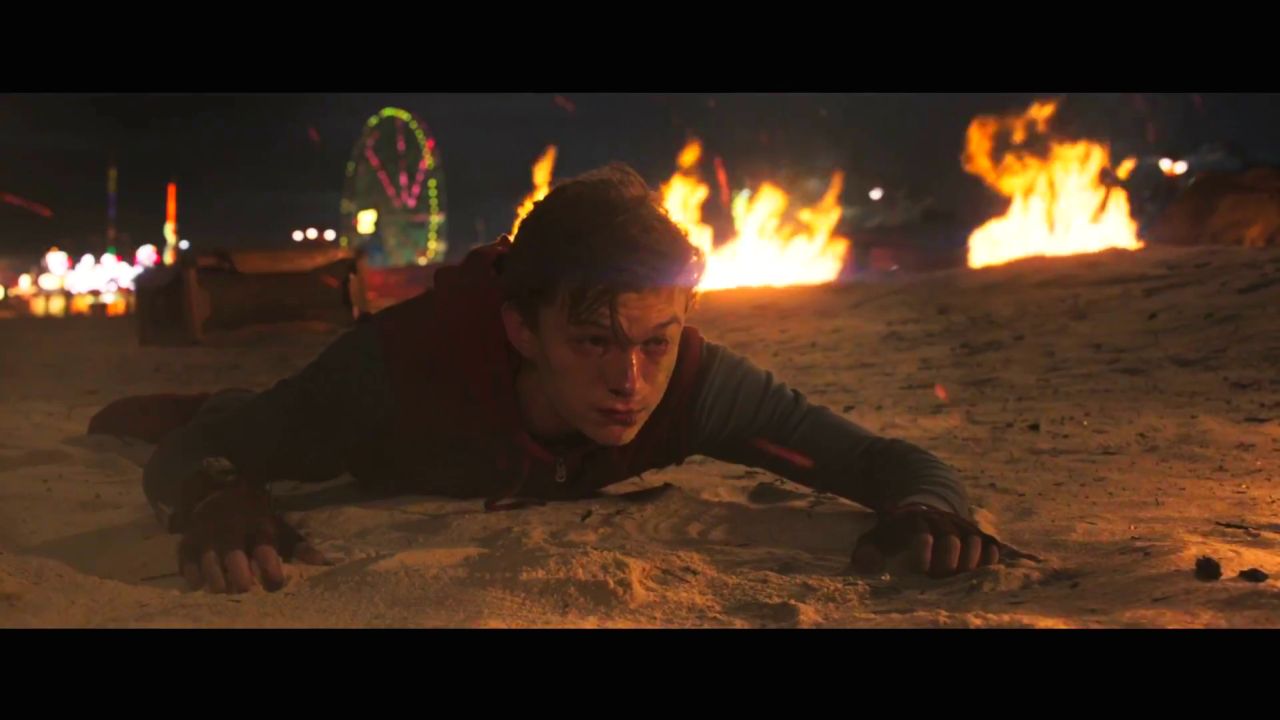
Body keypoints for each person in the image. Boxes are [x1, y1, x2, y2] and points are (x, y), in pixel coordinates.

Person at [90, 163, 1000, 595]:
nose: (630, 379)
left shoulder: (690, 382)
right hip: (373, 436)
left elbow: (885, 463)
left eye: (655, 341)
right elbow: (194, 455)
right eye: (595, 341)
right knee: (246, 424)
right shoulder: (398, 369)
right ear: (522, 328)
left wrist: (930, 512)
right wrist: (219, 496)